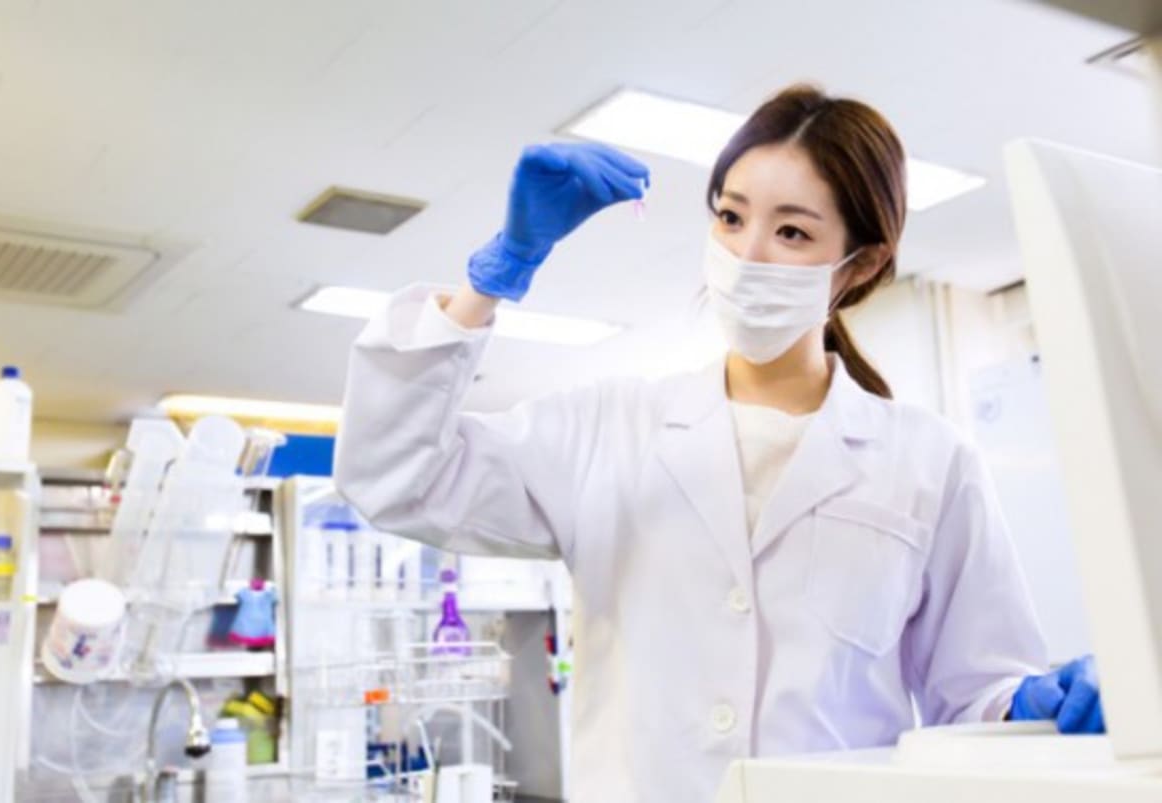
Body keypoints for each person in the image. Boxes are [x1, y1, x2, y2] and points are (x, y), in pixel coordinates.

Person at [333, 84, 1103, 803]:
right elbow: (396, 475)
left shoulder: (930, 461)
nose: (747, 254)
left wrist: (1029, 703)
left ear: (859, 265)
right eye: (731, 218)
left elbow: (975, 697)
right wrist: (495, 276)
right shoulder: (608, 428)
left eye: (792, 230)